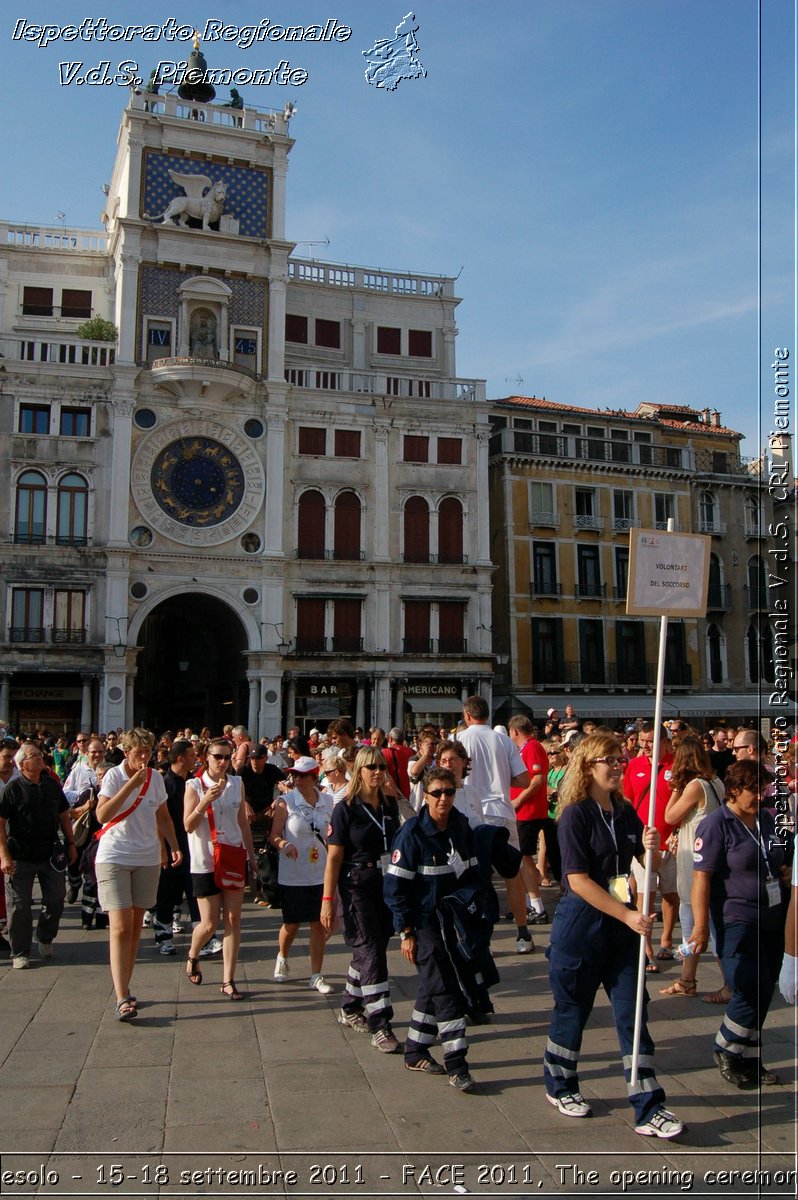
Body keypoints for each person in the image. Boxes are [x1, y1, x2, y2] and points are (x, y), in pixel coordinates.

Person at [543, 733, 683, 1138]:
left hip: (621, 931)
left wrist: (652, 848)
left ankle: (648, 1105)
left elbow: (644, 860)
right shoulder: (575, 815)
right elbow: (577, 879)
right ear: (588, 765)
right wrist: (628, 914)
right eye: (610, 759)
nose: (619, 765)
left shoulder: (624, 812)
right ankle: (560, 1083)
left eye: (620, 758)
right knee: (572, 1011)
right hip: (582, 928)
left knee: (633, 1013)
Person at [384, 767, 484, 1091]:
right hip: (424, 924)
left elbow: (472, 875)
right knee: (446, 991)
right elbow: (395, 888)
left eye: (449, 792)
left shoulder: (461, 826)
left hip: (453, 923)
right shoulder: (412, 833)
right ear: (425, 796)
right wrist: (406, 932)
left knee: (432, 986)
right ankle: (458, 1065)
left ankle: (414, 1051)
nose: (444, 798)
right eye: (437, 792)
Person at [690, 759, 788, 1088]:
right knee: (748, 984)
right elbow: (701, 878)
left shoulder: (766, 819)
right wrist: (700, 927)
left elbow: (779, 857)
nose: (760, 796)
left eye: (763, 789)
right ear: (733, 790)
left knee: (764, 989)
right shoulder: (717, 824)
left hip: (773, 914)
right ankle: (726, 1046)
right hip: (736, 916)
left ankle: (750, 1056)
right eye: (754, 790)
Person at [95, 728, 182, 1018]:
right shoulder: (114, 776)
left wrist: (173, 845)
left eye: (148, 752)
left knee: (134, 928)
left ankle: (127, 987)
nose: (143, 757)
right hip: (115, 855)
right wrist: (131, 785)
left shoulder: (156, 778)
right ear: (126, 752)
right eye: (138, 752)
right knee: (119, 926)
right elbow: (102, 815)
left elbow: (163, 815)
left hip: (146, 857)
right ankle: (121, 997)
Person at [320, 748, 402, 1053]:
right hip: (356, 886)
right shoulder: (346, 809)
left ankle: (351, 1007)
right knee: (371, 952)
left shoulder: (389, 806)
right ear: (358, 771)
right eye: (371, 767)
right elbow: (334, 858)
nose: (377, 772)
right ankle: (380, 1024)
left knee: (373, 949)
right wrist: (328, 899)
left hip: (386, 885)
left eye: (381, 767)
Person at [183, 737, 257, 999]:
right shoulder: (194, 785)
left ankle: (228, 980)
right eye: (218, 757)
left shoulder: (237, 784)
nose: (223, 762)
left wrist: (251, 855)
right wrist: (204, 802)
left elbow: (242, 823)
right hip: (204, 860)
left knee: (234, 920)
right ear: (206, 757)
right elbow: (188, 825)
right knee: (209, 923)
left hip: (234, 856)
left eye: (227, 757)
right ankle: (193, 954)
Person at [458, 696, 531, 953]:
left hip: (472, 813)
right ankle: (523, 933)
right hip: (502, 811)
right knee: (512, 873)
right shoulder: (503, 740)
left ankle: (482, 937)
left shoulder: (460, 741)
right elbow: (524, 779)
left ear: (467, 716)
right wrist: (501, 774)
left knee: (477, 875)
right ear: (488, 715)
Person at [0, 741, 77, 968]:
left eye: (39, 755)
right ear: (23, 764)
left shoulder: (52, 785)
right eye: (34, 756)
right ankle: (20, 952)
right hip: (20, 855)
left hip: (50, 853)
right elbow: (1, 823)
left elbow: (64, 816)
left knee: (56, 898)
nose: (39, 758)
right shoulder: (12, 789)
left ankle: (44, 935)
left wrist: (71, 843)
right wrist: (4, 855)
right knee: (19, 905)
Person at [658, 736, 724, 997]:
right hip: (710, 860)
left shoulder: (695, 786)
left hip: (695, 865)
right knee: (701, 924)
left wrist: (676, 786)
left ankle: (729, 983)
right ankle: (687, 979)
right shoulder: (715, 782)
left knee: (694, 925)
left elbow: (669, 815)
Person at [270, 756, 335, 992]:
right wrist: (284, 844)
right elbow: (274, 835)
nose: (298, 780)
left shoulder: (327, 801)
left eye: (303, 775)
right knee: (292, 924)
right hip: (293, 874)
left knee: (318, 924)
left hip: (320, 872)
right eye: (295, 775)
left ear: (313, 777)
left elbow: (332, 834)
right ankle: (282, 956)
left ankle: (316, 974)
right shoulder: (285, 802)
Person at [623, 722, 678, 970]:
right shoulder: (634, 766)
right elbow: (627, 801)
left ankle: (666, 938)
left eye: (651, 741)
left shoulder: (676, 765)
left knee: (671, 894)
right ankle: (646, 949)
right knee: (646, 897)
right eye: (643, 740)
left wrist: (677, 832)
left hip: (672, 843)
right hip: (644, 842)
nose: (645, 746)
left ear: (665, 742)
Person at [507, 715, 553, 924]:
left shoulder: (532, 747)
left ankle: (537, 906)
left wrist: (518, 800)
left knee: (524, 858)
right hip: (525, 811)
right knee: (520, 858)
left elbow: (537, 780)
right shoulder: (524, 749)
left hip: (529, 812)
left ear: (515, 731)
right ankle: (527, 903)